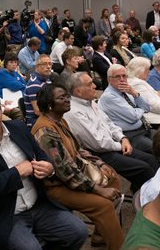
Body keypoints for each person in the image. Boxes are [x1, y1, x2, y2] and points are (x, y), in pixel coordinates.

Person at [0, 89, 87, 250]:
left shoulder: (18, 127)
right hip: (4, 215)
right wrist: (16, 172)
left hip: (38, 205)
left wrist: (49, 168)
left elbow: (40, 155)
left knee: (78, 232)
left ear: (1, 111)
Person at [31, 84, 124, 249]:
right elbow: (65, 170)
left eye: (67, 95)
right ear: (50, 104)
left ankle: (100, 235)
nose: (67, 99)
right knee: (104, 205)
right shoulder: (45, 131)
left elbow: (77, 148)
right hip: (58, 187)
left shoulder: (60, 120)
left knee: (112, 176)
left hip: (73, 175)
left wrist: (99, 162)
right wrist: (97, 189)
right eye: (62, 97)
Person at [64, 72, 158, 191]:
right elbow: (98, 143)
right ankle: (150, 199)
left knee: (151, 159)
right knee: (143, 168)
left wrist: (122, 138)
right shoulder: (74, 112)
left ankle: (144, 190)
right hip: (98, 154)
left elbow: (109, 123)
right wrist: (121, 145)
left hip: (114, 144)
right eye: (89, 84)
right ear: (78, 91)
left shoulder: (90, 102)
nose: (94, 86)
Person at [99, 64, 154, 153]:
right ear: (109, 79)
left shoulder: (127, 90)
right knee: (158, 149)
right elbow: (133, 117)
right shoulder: (109, 97)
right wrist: (141, 109)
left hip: (144, 128)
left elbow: (148, 107)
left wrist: (134, 93)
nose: (122, 79)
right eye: (117, 76)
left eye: (124, 76)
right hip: (131, 135)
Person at [24, 55, 52, 128]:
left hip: (46, 117)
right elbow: (38, 111)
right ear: (37, 67)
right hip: (36, 123)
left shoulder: (47, 80)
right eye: (44, 64)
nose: (48, 66)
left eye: (50, 64)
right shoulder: (34, 84)